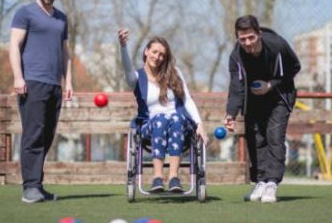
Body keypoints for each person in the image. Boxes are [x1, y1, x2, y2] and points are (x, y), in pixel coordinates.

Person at [9, 0, 73, 203]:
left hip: (55, 85)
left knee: (46, 137)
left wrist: (69, 82)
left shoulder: (62, 18)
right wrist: (18, 77)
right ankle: (30, 188)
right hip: (32, 83)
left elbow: (65, 53)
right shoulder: (25, 13)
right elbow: (14, 45)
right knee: (33, 136)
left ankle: (37, 184)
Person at [118, 29, 208, 193]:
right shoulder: (137, 77)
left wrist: (199, 124)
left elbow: (187, 99)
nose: (157, 57)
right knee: (160, 119)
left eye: (162, 55)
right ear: (146, 51)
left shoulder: (174, 73)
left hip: (179, 125)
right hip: (150, 126)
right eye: (154, 52)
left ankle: (174, 177)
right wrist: (123, 46)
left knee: (175, 118)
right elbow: (127, 69)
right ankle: (157, 177)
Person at [224, 15, 300, 203]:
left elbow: (295, 67)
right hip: (255, 100)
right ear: (237, 37)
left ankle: (272, 184)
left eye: (251, 37)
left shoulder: (277, 46)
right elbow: (236, 87)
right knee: (255, 140)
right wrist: (230, 114)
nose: (247, 43)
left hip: (279, 97)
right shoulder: (236, 57)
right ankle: (260, 181)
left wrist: (270, 85)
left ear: (259, 34)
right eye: (242, 39)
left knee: (274, 137)